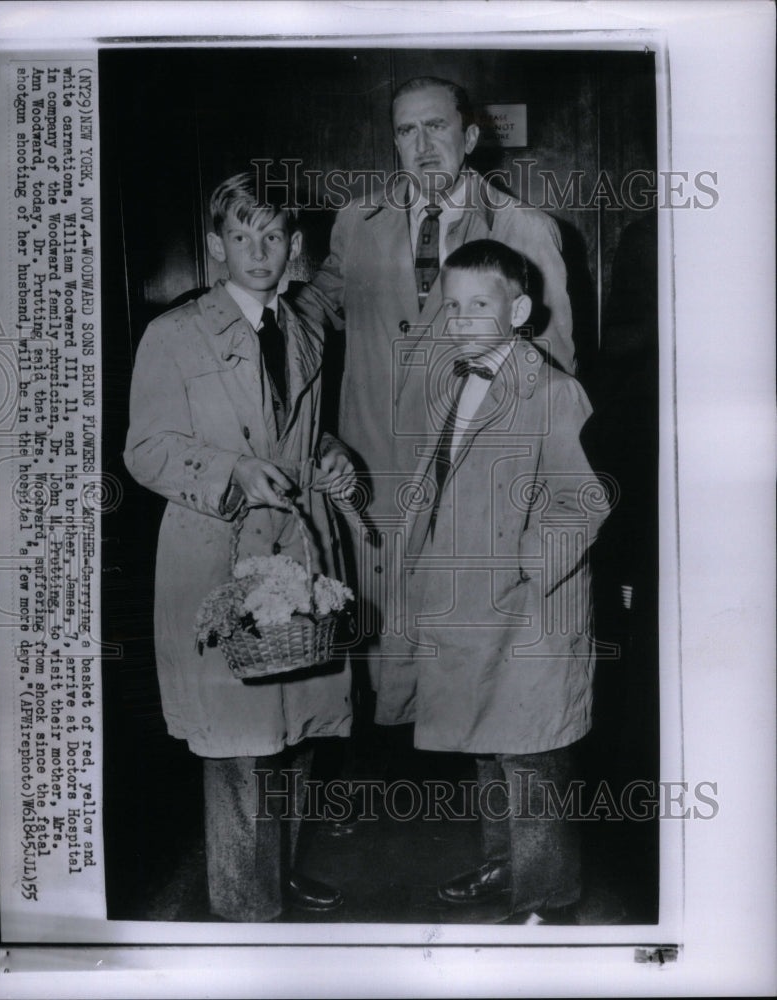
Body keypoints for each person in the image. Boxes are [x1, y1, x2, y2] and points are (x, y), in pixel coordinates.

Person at [295, 76, 574, 726]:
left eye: (437, 127)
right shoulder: (356, 224)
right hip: (371, 466)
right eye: (405, 130)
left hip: (468, 472)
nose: (421, 145)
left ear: (470, 137)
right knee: (386, 632)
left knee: (467, 645)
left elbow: (558, 367)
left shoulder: (521, 228)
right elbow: (312, 316)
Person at [124, 172, 355, 922]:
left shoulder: (308, 326)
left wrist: (332, 454)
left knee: (293, 729)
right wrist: (231, 471)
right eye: (241, 235)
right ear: (217, 246)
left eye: (274, 235)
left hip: (296, 551)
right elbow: (147, 450)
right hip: (217, 553)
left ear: (293, 245)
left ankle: (276, 875)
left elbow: (302, 428)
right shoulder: (174, 333)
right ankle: (245, 911)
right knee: (237, 746)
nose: (258, 250)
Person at [401, 239, 609, 921]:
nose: (460, 319)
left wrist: (521, 563)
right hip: (470, 607)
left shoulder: (553, 391)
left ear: (518, 309)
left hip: (530, 613)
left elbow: (585, 501)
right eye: (450, 305)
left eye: (479, 305)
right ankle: (504, 865)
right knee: (487, 746)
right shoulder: (454, 382)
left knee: (533, 759)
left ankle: (547, 900)